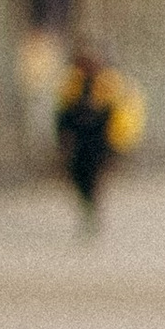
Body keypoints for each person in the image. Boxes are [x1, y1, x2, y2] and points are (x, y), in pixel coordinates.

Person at [52, 47, 141, 227]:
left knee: (94, 174)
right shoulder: (72, 82)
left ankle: (92, 206)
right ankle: (86, 203)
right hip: (79, 139)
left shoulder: (109, 82)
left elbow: (122, 114)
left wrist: (119, 142)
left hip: (100, 139)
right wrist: (62, 137)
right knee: (77, 173)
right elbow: (62, 113)